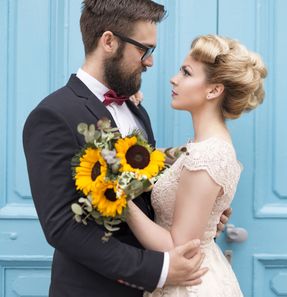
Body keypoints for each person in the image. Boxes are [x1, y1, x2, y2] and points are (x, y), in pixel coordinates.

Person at [22, 1, 230, 296]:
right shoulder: (53, 115)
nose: (150, 62)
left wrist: (200, 212)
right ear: (109, 41)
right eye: (144, 49)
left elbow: (148, 192)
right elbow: (62, 227)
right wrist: (158, 269)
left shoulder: (135, 110)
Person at [125, 35, 267, 296]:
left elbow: (177, 247)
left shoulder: (208, 155)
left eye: (186, 72)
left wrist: (119, 201)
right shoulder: (202, 147)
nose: (174, 78)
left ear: (214, 90)